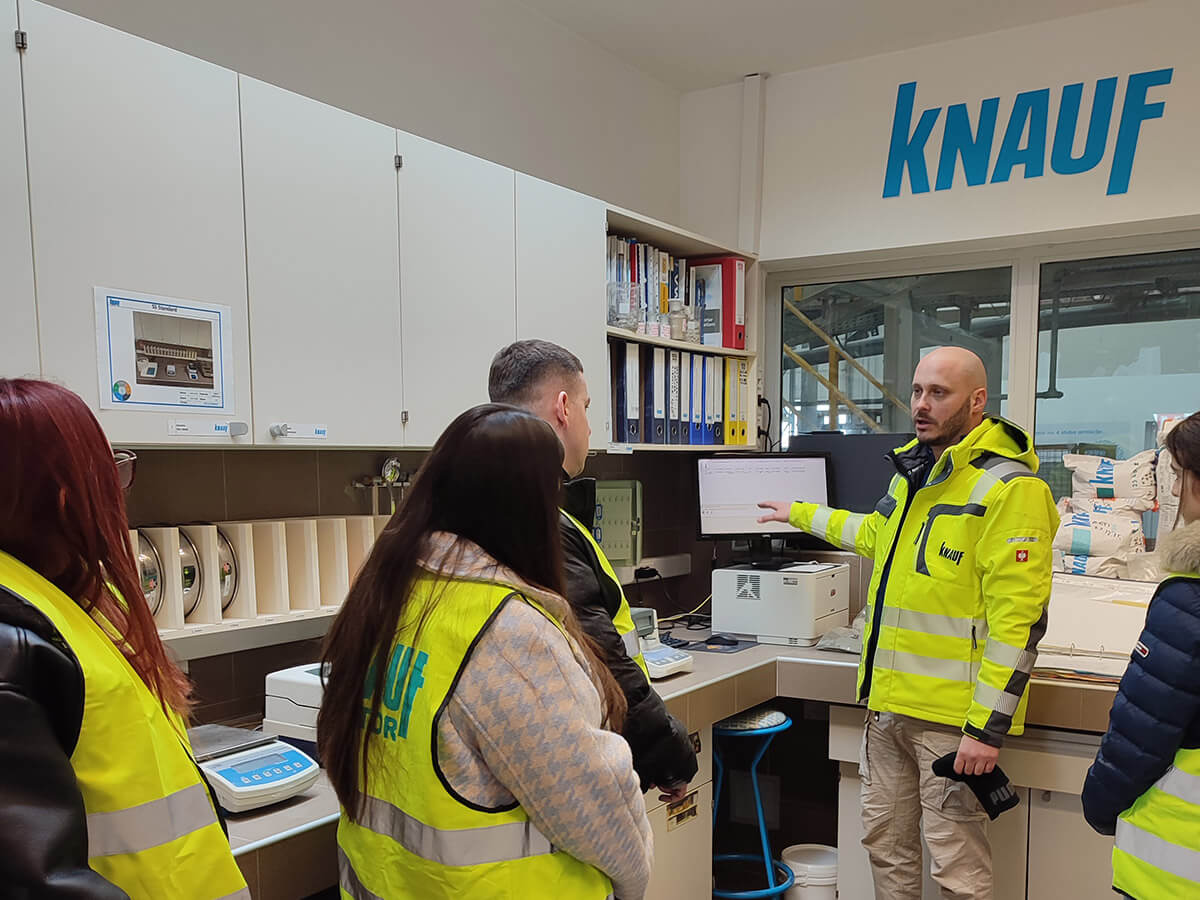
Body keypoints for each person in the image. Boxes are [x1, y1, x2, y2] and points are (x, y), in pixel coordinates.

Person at [318, 403, 653, 900]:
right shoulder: (510, 635)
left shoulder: (387, 598)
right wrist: (636, 879)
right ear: (527, 508)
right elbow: (592, 806)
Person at [758, 346, 1058, 900]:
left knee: (957, 871)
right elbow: (876, 536)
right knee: (886, 849)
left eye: (938, 393)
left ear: (977, 401)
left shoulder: (1011, 490)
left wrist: (984, 731)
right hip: (887, 708)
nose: (921, 404)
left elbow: (1018, 625)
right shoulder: (913, 475)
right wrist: (797, 513)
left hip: (951, 722)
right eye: (918, 391)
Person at [0, 379, 247, 899]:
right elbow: (35, 880)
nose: (118, 489)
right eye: (107, 470)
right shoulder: (12, 640)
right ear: (61, 492)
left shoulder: (78, 597)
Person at [488, 339, 697, 800]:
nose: (588, 424)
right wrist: (669, 754)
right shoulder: (540, 525)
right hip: (586, 757)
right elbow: (603, 658)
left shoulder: (488, 514)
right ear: (563, 408)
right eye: (586, 406)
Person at [1082, 410, 1200, 899]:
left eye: (1178, 475)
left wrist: (1098, 804)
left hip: (1174, 867)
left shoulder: (1187, 604)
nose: (1173, 490)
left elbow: (1139, 741)